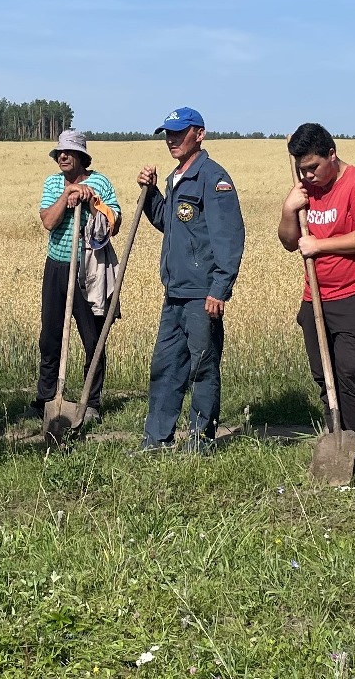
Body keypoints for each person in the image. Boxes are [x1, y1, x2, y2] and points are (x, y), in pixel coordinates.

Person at [137, 107, 245, 452]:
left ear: (199, 133)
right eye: (167, 133)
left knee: (202, 368)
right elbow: (168, 222)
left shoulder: (213, 179)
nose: (171, 139)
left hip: (202, 295)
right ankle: (157, 440)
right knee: (165, 367)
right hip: (175, 293)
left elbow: (229, 239)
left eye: (178, 133)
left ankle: (200, 441)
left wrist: (219, 289)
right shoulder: (176, 177)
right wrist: (151, 193)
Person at [277, 123, 355, 449]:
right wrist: (288, 209)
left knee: (352, 374)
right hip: (316, 297)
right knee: (325, 378)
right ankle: (336, 441)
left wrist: (320, 246)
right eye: (302, 169)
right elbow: (288, 242)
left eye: (313, 167)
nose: (308, 175)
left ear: (332, 154)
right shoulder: (303, 191)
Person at [35, 130, 120, 423]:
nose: (63, 156)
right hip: (58, 266)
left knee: (92, 339)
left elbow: (115, 221)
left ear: (82, 157)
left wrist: (92, 199)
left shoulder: (101, 182)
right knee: (50, 337)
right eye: (60, 152)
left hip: (90, 268)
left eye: (69, 152)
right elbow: (48, 221)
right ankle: (47, 399)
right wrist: (67, 195)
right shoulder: (52, 183)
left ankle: (90, 403)